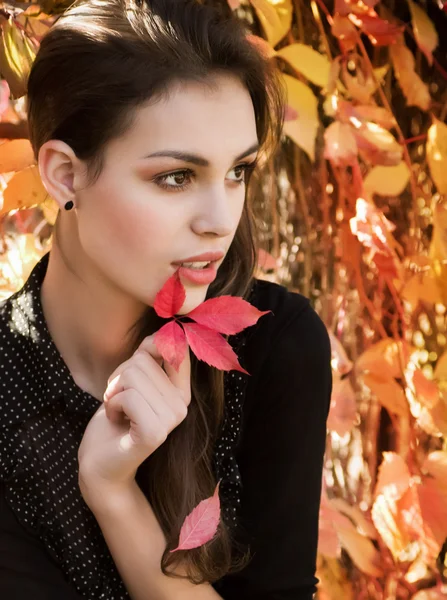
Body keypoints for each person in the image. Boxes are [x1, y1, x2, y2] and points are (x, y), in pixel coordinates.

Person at [0, 0, 332, 598]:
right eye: (176, 177)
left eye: (239, 171)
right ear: (64, 175)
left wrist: (114, 495)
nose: (219, 220)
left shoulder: (275, 348)